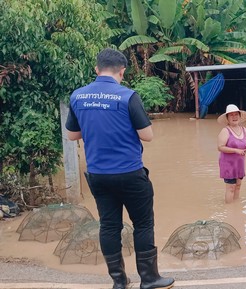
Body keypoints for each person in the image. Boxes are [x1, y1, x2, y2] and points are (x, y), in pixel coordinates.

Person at [65, 48, 174, 289]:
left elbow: (72, 135)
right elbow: (147, 136)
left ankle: (119, 282)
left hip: (98, 176)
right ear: (122, 71)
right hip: (130, 174)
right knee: (143, 224)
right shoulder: (127, 96)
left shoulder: (78, 96)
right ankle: (149, 279)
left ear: (96, 69)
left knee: (109, 225)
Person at [217, 104, 246, 204]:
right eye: (231, 115)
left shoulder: (244, 130)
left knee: (238, 185)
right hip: (228, 164)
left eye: (236, 114)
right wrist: (236, 150)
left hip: (239, 163)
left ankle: (236, 207)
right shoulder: (225, 131)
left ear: (240, 117)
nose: (234, 117)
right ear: (227, 118)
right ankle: (229, 210)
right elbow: (220, 147)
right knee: (231, 188)